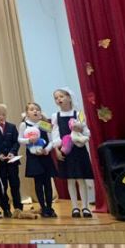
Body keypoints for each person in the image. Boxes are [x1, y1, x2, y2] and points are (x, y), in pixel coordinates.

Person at [51, 87, 93, 218]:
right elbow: (55, 135)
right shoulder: (55, 116)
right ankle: (75, 207)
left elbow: (86, 132)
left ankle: (85, 207)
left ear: (69, 98)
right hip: (65, 151)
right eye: (56, 98)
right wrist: (57, 150)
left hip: (78, 150)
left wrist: (80, 130)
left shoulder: (79, 113)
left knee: (81, 179)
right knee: (70, 179)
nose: (59, 99)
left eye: (61, 96)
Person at [18, 101, 56, 219]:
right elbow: (19, 139)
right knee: (38, 183)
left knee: (47, 183)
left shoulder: (44, 124)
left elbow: (51, 141)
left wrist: (47, 150)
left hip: (45, 156)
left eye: (37, 109)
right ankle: (43, 207)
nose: (35, 111)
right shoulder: (24, 125)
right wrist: (29, 141)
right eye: (32, 109)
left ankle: (49, 207)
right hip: (33, 158)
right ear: (27, 113)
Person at [0, 103, 22, 216]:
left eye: (3, 114)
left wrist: (12, 152)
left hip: (12, 162)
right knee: (2, 186)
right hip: (0, 163)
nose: (1, 117)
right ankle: (6, 208)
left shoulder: (12, 127)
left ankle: (18, 207)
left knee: (15, 185)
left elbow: (16, 142)